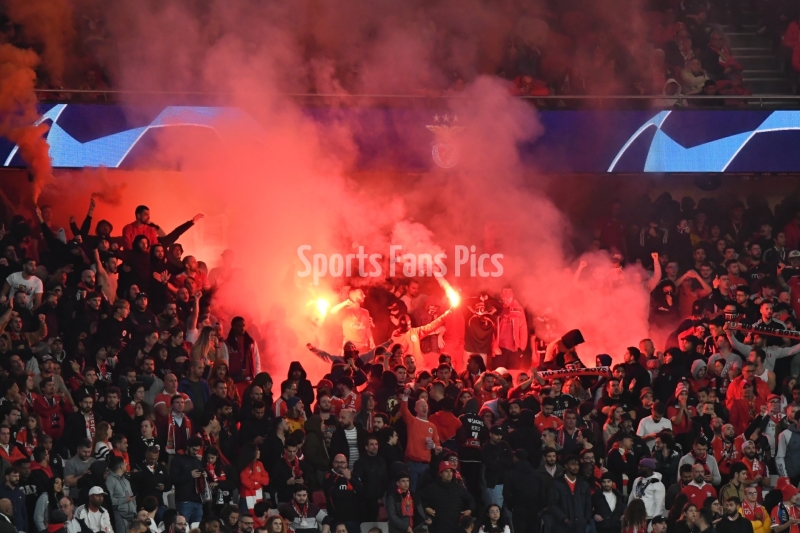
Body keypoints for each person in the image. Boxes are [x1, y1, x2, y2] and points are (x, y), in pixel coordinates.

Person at [399, 389, 441, 491]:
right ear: (415, 409)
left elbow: (439, 447)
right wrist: (405, 397)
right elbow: (404, 411)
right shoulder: (412, 421)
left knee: (423, 492)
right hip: (412, 463)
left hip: (426, 465)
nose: (424, 407)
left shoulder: (432, 426)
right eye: (421, 405)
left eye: (426, 405)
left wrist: (433, 446)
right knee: (412, 491)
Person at [418, 460, 475, 533]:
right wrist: (426, 508)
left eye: (451, 471)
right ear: (440, 474)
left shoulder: (458, 487)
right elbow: (418, 499)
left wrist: (470, 510)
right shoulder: (432, 488)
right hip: (437, 527)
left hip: (455, 527)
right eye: (446, 471)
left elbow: (470, 499)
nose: (449, 474)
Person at [547, 455, 591, 533]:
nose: (576, 467)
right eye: (573, 464)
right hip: (562, 527)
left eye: (577, 464)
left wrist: (585, 520)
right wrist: (565, 519)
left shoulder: (583, 483)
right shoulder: (557, 483)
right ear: (566, 465)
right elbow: (553, 504)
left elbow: (588, 503)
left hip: (580, 527)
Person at [502, 449, 542, 533]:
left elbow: (506, 493)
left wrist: (512, 506)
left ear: (516, 458)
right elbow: (542, 492)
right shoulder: (536, 473)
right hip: (533, 509)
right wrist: (538, 506)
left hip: (518, 509)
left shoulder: (511, 474)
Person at [322, 455, 363, 533]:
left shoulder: (353, 476)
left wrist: (350, 478)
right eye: (337, 462)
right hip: (336, 519)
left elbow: (361, 491)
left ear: (347, 463)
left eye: (342, 462)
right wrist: (352, 493)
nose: (339, 465)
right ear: (333, 463)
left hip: (353, 519)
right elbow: (332, 492)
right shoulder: (328, 476)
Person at [169, 437, 204, 527]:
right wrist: (189, 475)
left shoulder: (198, 462)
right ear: (188, 447)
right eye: (194, 449)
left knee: (196, 528)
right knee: (182, 527)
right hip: (184, 501)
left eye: (197, 450)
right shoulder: (177, 460)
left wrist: (204, 476)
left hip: (198, 501)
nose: (195, 452)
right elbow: (173, 479)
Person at [352, 436, 387, 522]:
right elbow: (357, 482)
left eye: (376, 444)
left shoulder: (382, 462)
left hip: (377, 501)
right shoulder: (359, 463)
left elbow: (385, 480)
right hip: (363, 503)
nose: (375, 446)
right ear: (366, 447)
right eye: (372, 444)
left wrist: (381, 496)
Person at [106, 455, 136, 533]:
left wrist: (135, 511)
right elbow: (108, 500)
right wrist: (124, 500)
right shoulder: (110, 480)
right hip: (119, 516)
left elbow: (132, 498)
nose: (127, 465)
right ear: (121, 466)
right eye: (125, 464)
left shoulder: (126, 481)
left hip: (132, 516)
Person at [0, 467, 26, 533]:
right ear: (7, 477)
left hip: (20, 529)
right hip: (6, 528)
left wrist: (25, 528)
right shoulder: (1, 491)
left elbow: (24, 513)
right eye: (14, 476)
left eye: (18, 476)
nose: (17, 478)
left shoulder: (20, 492)